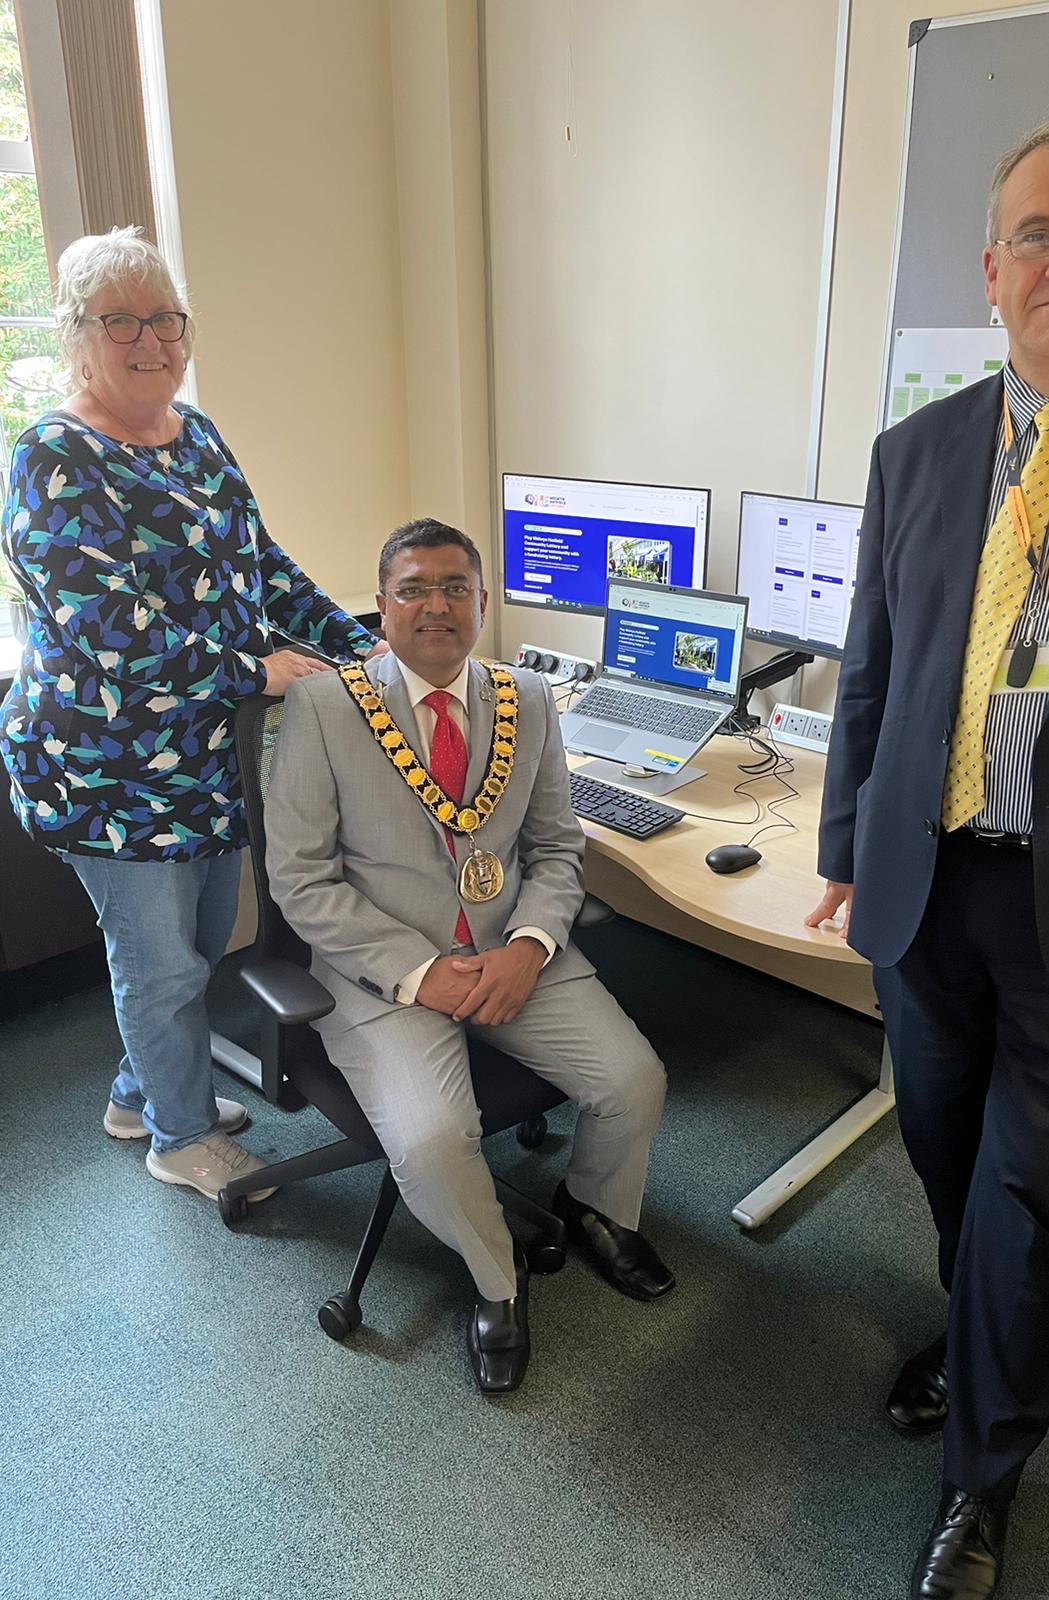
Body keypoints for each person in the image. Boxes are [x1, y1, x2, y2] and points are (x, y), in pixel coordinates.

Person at [805, 113, 1049, 1599]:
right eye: (1039, 231)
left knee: (1035, 1184)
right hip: (929, 883)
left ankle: (987, 1474)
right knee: (947, 1147)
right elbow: (872, 671)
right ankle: (986, 1339)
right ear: (992, 264)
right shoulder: (919, 451)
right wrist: (846, 840)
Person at [0, 227, 381, 1204]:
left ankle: (139, 1093)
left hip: (206, 762)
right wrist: (259, 670)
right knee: (162, 964)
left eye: (166, 318)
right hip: (108, 774)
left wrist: (357, 643)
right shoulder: (52, 457)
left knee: (204, 945)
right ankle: (179, 1132)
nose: (152, 340)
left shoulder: (195, 433)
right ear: (77, 332)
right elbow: (106, 631)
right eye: (122, 320)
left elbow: (262, 565)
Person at [264, 517, 674, 1394]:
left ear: (483, 605)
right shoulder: (325, 706)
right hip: (387, 973)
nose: (436, 605)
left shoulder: (526, 696)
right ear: (380, 609)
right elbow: (300, 880)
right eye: (414, 588)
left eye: (456, 588)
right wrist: (421, 970)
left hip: (514, 952)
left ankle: (595, 1209)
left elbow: (560, 850)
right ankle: (496, 1279)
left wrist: (529, 944)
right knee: (431, 1139)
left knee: (634, 1079)